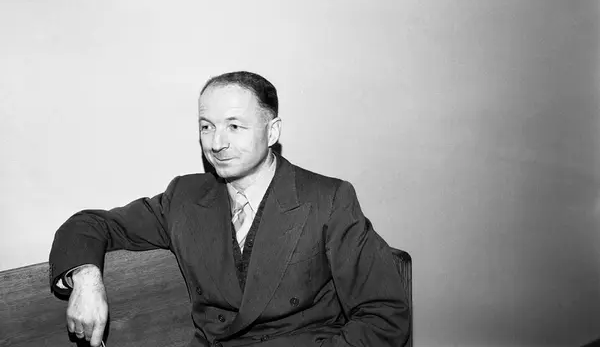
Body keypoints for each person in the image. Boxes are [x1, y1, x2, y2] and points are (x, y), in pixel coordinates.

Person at [49, 71, 410, 347]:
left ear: (272, 132)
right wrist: (86, 280)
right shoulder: (184, 197)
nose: (217, 143)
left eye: (235, 126)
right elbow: (89, 224)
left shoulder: (328, 200)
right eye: (207, 127)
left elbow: (384, 317)